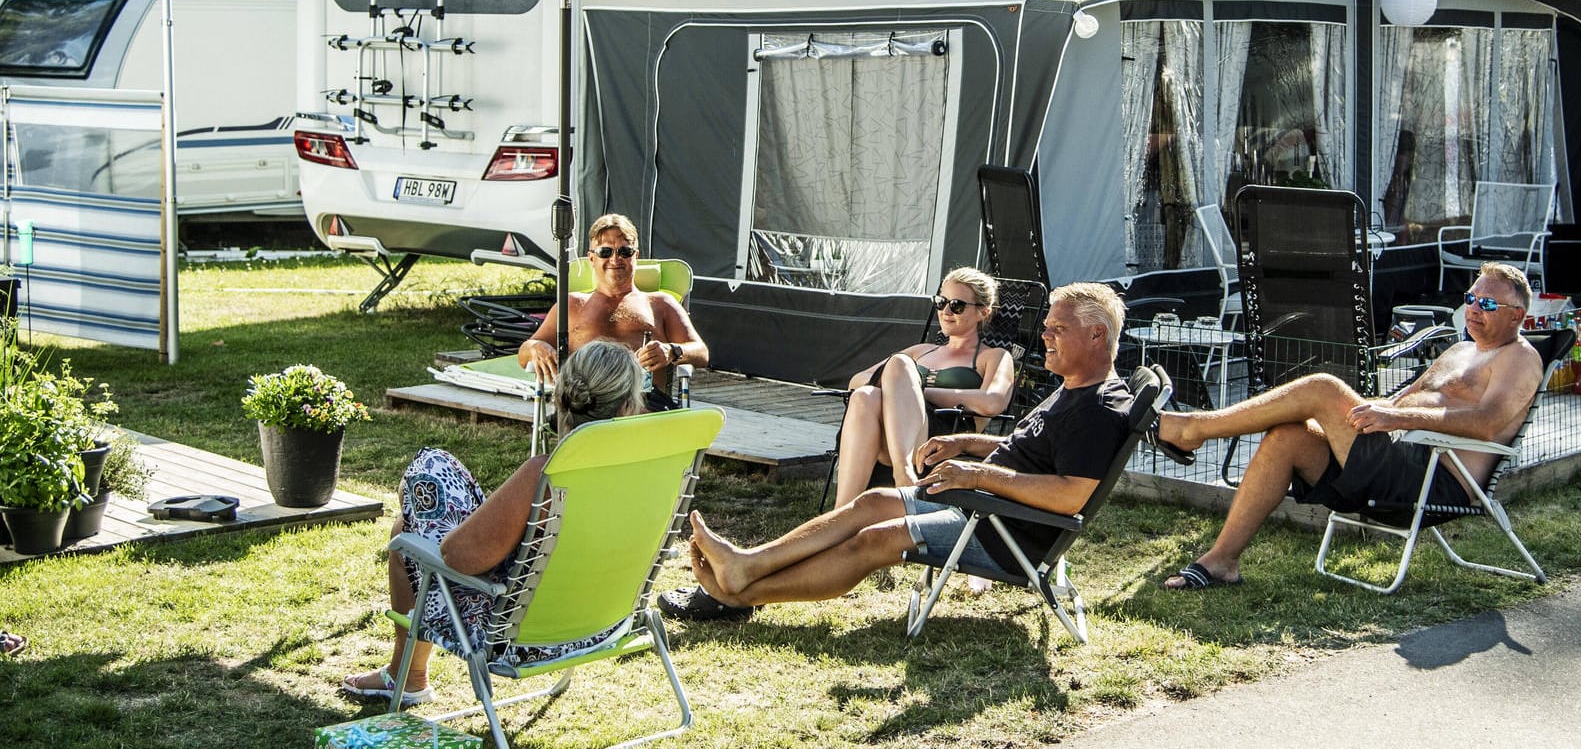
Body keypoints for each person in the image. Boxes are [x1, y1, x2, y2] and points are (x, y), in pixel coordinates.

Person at [680, 283, 1134, 613]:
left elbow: (1070, 494)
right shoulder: (1074, 388)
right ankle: (746, 564)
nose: (1046, 336)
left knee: (876, 539)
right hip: (982, 506)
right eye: (1048, 326)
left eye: (1058, 328)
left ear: (1096, 336)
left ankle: (744, 593)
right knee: (873, 502)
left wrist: (977, 474)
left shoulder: (1097, 408)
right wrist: (969, 441)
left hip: (1002, 531)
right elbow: (1032, 448)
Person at [1155, 262, 1542, 590]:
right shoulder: (1460, 351)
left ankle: (1192, 429)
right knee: (1289, 436)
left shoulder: (1520, 359)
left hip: (1431, 478)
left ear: (1516, 316)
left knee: (1323, 388)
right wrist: (1378, 410)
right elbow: (1397, 401)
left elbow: (1487, 424)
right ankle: (1221, 561)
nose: (1474, 308)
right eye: (1470, 299)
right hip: (1396, 457)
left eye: (1488, 303)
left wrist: (1397, 417)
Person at [341, 340, 646, 706]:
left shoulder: (547, 477)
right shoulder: (650, 474)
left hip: (519, 635)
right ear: (628, 406)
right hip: (607, 622)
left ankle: (408, 676)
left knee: (412, 516)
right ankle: (407, 676)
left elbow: (457, 558)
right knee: (416, 517)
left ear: (562, 398)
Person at [830, 267, 1018, 508]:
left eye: (957, 305)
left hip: (941, 437)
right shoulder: (921, 350)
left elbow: (993, 402)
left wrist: (915, 391)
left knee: (898, 365)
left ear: (983, 311)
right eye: (941, 302)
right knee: (865, 395)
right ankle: (843, 513)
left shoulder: (993, 357)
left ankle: (903, 476)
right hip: (888, 433)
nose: (946, 311)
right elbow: (856, 380)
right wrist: (899, 390)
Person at [516, 213, 708, 404]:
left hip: (643, 405)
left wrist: (672, 351)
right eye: (605, 252)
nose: (615, 260)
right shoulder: (571, 305)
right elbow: (524, 353)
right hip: (585, 405)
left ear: (636, 256)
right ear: (591, 258)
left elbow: (701, 352)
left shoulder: (659, 304)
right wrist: (536, 347)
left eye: (624, 252)